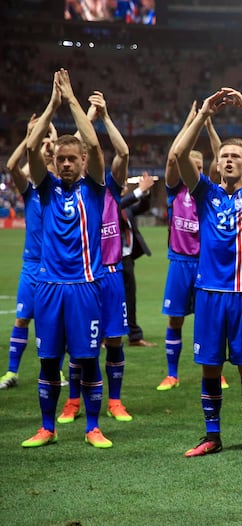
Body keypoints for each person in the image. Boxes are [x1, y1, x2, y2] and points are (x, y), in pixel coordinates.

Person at [174, 87, 242, 460]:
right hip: (210, 295)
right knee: (210, 368)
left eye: (236, 156)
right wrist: (202, 115)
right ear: (215, 165)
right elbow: (179, 154)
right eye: (224, 157)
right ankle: (212, 436)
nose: (230, 161)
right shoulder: (204, 194)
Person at [22, 69, 112, 448]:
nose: (66, 164)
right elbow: (29, 150)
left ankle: (92, 426)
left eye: (73, 159)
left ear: (83, 160)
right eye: (62, 159)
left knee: (88, 360)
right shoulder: (45, 189)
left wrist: (73, 100)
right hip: (49, 288)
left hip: (83, 288)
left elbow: (93, 141)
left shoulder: (94, 189)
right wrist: (51, 104)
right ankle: (48, 427)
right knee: (48, 362)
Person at [58, 90, 134, 425]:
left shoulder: (110, 188)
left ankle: (115, 401)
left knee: (114, 338)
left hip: (111, 272)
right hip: (82, 275)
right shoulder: (74, 190)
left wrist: (103, 117)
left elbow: (124, 151)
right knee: (78, 342)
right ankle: (73, 401)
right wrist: (85, 116)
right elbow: (69, 147)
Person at [157, 103, 228, 391]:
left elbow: (220, 158)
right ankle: (172, 373)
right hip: (179, 261)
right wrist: (191, 120)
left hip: (204, 263)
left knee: (209, 320)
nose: (196, 171)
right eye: (193, 166)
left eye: (200, 167)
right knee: (175, 319)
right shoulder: (176, 189)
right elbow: (175, 157)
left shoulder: (209, 191)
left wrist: (210, 127)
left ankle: (216, 371)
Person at [0, 115, 52, 390]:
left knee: (53, 322)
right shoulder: (30, 192)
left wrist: (51, 143)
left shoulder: (59, 192)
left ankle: (55, 372)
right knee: (22, 318)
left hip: (54, 267)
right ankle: (11, 372)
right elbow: (11, 165)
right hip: (32, 265)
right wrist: (29, 136)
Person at [120, 172, 155, 348]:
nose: (125, 188)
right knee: (109, 299)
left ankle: (134, 335)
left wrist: (146, 192)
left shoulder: (126, 207)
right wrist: (138, 191)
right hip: (110, 260)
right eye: (122, 185)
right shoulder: (106, 202)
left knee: (130, 298)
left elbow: (142, 207)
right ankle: (103, 335)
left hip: (126, 259)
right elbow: (117, 205)